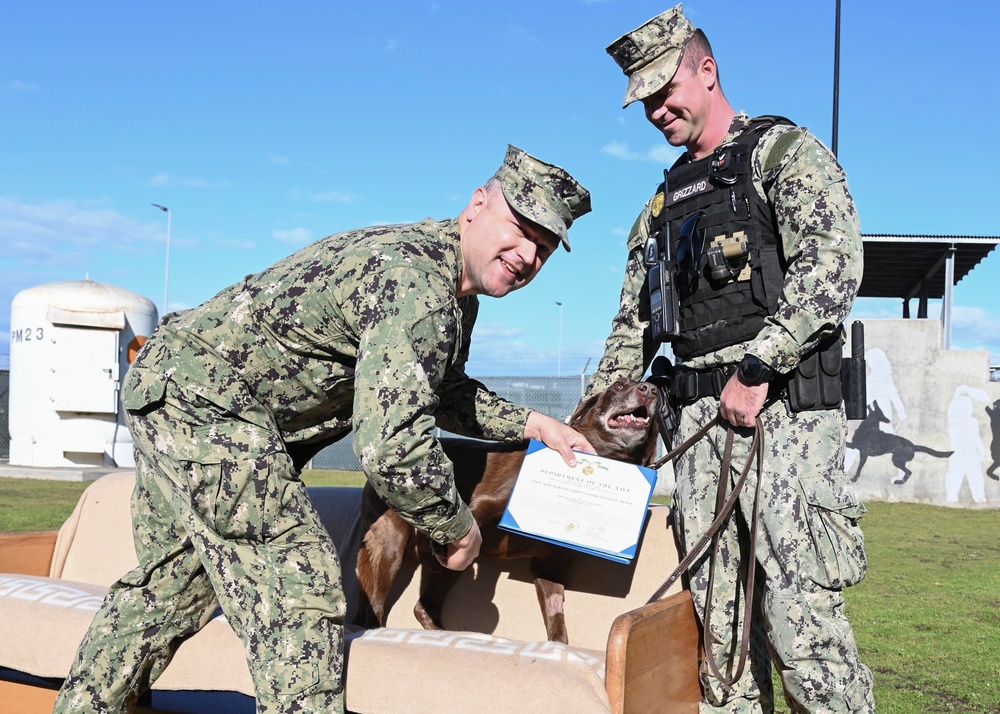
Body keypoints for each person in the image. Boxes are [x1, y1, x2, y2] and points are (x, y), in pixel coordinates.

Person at [53, 144, 595, 714]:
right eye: (520, 227)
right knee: (301, 591)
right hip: (207, 403)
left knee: (172, 589)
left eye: (545, 247)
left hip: (172, 389)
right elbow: (391, 448)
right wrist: (457, 529)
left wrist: (534, 423)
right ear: (477, 204)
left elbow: (438, 389)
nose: (527, 254)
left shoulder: (443, 286)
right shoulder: (418, 285)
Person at [590, 6, 875, 712]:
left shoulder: (781, 154)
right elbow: (631, 326)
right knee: (717, 641)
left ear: (707, 71)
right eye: (646, 100)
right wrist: (590, 421)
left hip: (781, 422)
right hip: (695, 435)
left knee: (801, 631)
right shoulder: (661, 206)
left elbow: (835, 268)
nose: (658, 110)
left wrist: (758, 368)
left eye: (667, 90)